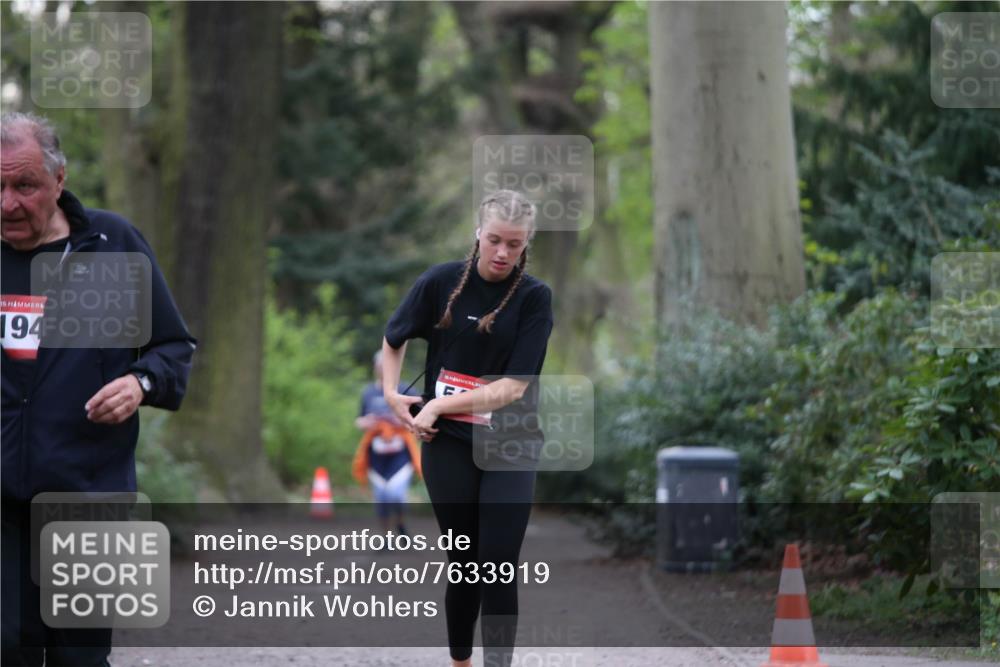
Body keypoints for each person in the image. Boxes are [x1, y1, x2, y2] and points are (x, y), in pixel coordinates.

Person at [1, 112, 196, 666]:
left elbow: (173, 349)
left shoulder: (111, 246)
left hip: (86, 496)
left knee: (80, 657)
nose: (8, 203)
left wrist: (139, 382)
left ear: (59, 181)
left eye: (25, 186)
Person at [380, 190, 554, 667]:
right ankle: (460, 662)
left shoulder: (535, 298)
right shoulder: (439, 282)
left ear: (526, 245)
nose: (502, 253)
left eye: (514, 245)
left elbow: (513, 388)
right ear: (478, 233)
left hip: (511, 444)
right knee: (466, 566)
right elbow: (393, 339)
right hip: (449, 445)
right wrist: (394, 395)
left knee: (498, 565)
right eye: (494, 240)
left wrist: (437, 404)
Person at [351, 351, 422, 536]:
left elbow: (419, 418)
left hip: (401, 453)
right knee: (382, 498)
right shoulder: (369, 392)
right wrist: (368, 422)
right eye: (381, 366)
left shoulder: (407, 389)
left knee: (396, 495)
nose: (384, 370)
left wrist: (399, 422)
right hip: (376, 454)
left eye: (388, 366)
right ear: (375, 369)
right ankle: (386, 536)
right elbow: (358, 420)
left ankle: (401, 525)